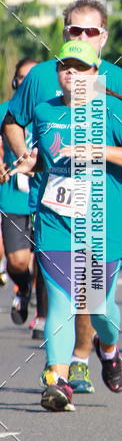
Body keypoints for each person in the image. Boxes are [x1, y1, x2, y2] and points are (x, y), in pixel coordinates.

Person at [1, 0, 122, 394]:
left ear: (99, 57)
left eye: (81, 66)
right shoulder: (43, 100)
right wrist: (26, 157)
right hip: (54, 217)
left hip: (102, 218)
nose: (73, 73)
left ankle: (108, 347)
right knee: (62, 300)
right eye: (66, 65)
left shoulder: (116, 98)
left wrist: (98, 151)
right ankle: (58, 378)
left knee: (96, 305)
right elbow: (21, 129)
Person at [0, 58, 38, 326]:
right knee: (17, 262)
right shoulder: (5, 111)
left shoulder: (54, 109)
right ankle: (24, 287)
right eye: (23, 77)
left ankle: (45, 318)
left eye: (33, 76)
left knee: (47, 260)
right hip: (14, 196)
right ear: (15, 81)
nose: (27, 82)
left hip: (48, 197)